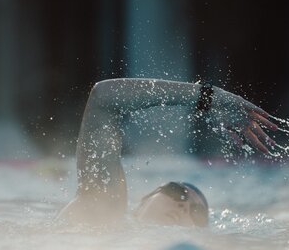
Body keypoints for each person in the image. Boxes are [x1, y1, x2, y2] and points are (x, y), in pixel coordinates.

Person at [58, 78, 277, 226]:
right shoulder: (103, 212)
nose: (183, 205)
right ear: (144, 200)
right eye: (176, 192)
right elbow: (103, 98)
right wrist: (208, 97)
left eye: (197, 213)